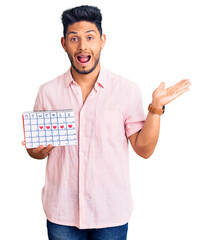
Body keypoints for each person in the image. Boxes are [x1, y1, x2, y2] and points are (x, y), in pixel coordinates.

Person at [22, 5, 191, 240]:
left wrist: (156, 108)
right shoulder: (47, 92)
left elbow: (144, 150)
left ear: (102, 41)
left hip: (111, 213)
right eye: (74, 38)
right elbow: (36, 150)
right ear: (64, 44)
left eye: (90, 37)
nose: (83, 46)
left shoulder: (126, 90)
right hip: (62, 212)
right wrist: (36, 151)